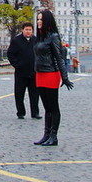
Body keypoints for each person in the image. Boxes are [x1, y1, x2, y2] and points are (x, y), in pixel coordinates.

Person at [33, 9, 74, 147]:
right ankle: (46, 134)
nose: (38, 22)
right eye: (38, 19)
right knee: (46, 107)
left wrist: (65, 77)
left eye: (41, 20)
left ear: (47, 21)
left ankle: (54, 136)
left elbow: (59, 58)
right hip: (40, 73)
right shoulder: (40, 37)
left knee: (53, 107)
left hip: (51, 73)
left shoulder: (53, 36)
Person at [7, 21, 40, 120]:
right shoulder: (16, 40)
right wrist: (17, 65)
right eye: (26, 30)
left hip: (33, 72)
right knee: (19, 93)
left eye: (30, 30)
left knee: (34, 94)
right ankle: (20, 112)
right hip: (21, 72)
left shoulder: (36, 40)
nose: (28, 32)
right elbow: (10, 54)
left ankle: (35, 113)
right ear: (22, 30)